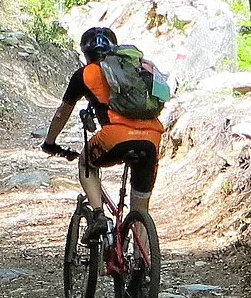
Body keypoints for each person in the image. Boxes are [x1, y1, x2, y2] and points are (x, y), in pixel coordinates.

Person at [40, 24, 164, 235]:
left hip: (114, 137)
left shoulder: (84, 74)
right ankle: (144, 263)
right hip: (152, 139)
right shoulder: (142, 68)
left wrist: (49, 143)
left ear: (86, 52)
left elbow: (62, 113)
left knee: (85, 162)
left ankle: (98, 215)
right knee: (141, 209)